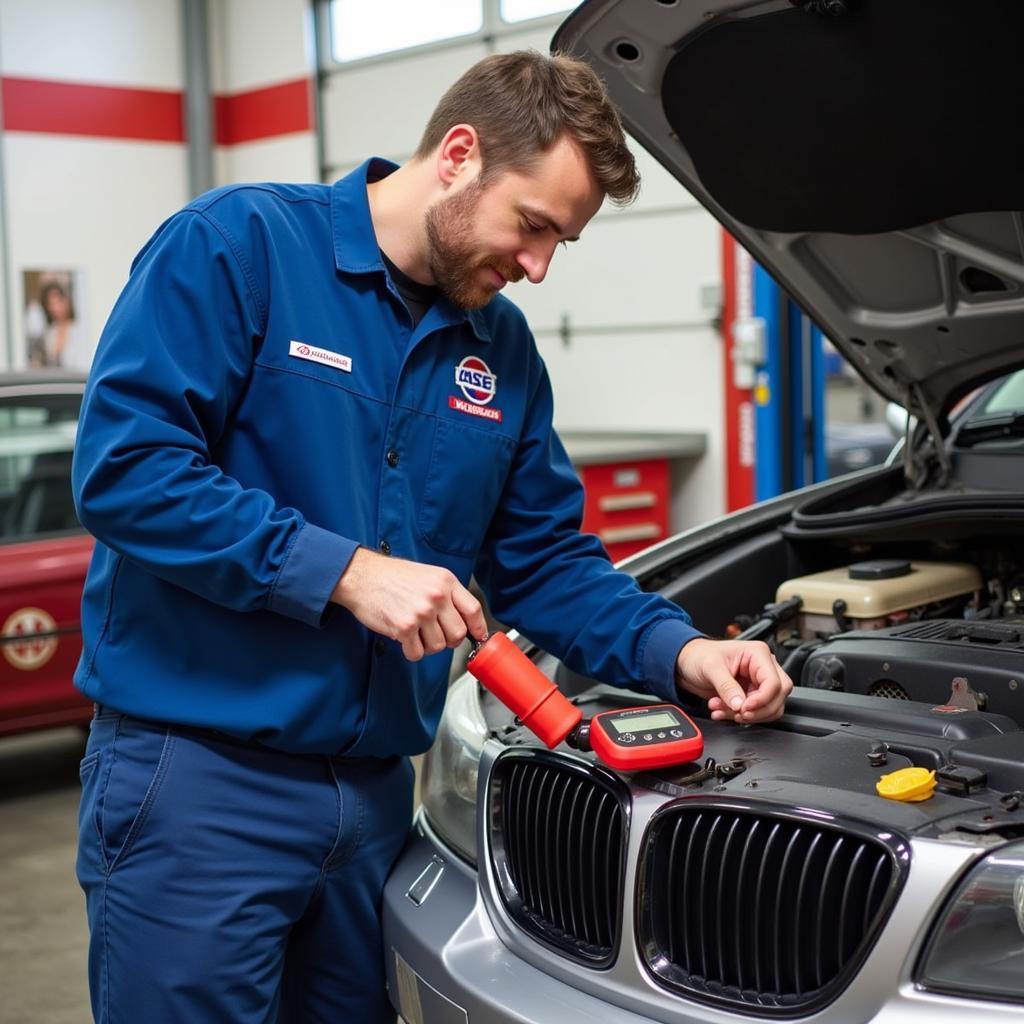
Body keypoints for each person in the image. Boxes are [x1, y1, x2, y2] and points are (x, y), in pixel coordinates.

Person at [72, 50, 793, 1023]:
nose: (536, 267)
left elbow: (542, 560)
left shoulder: (499, 352)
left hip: (375, 804)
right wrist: (345, 573)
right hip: (200, 786)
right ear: (458, 155)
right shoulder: (238, 247)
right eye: (532, 226)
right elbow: (128, 469)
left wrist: (685, 649)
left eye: (559, 245)